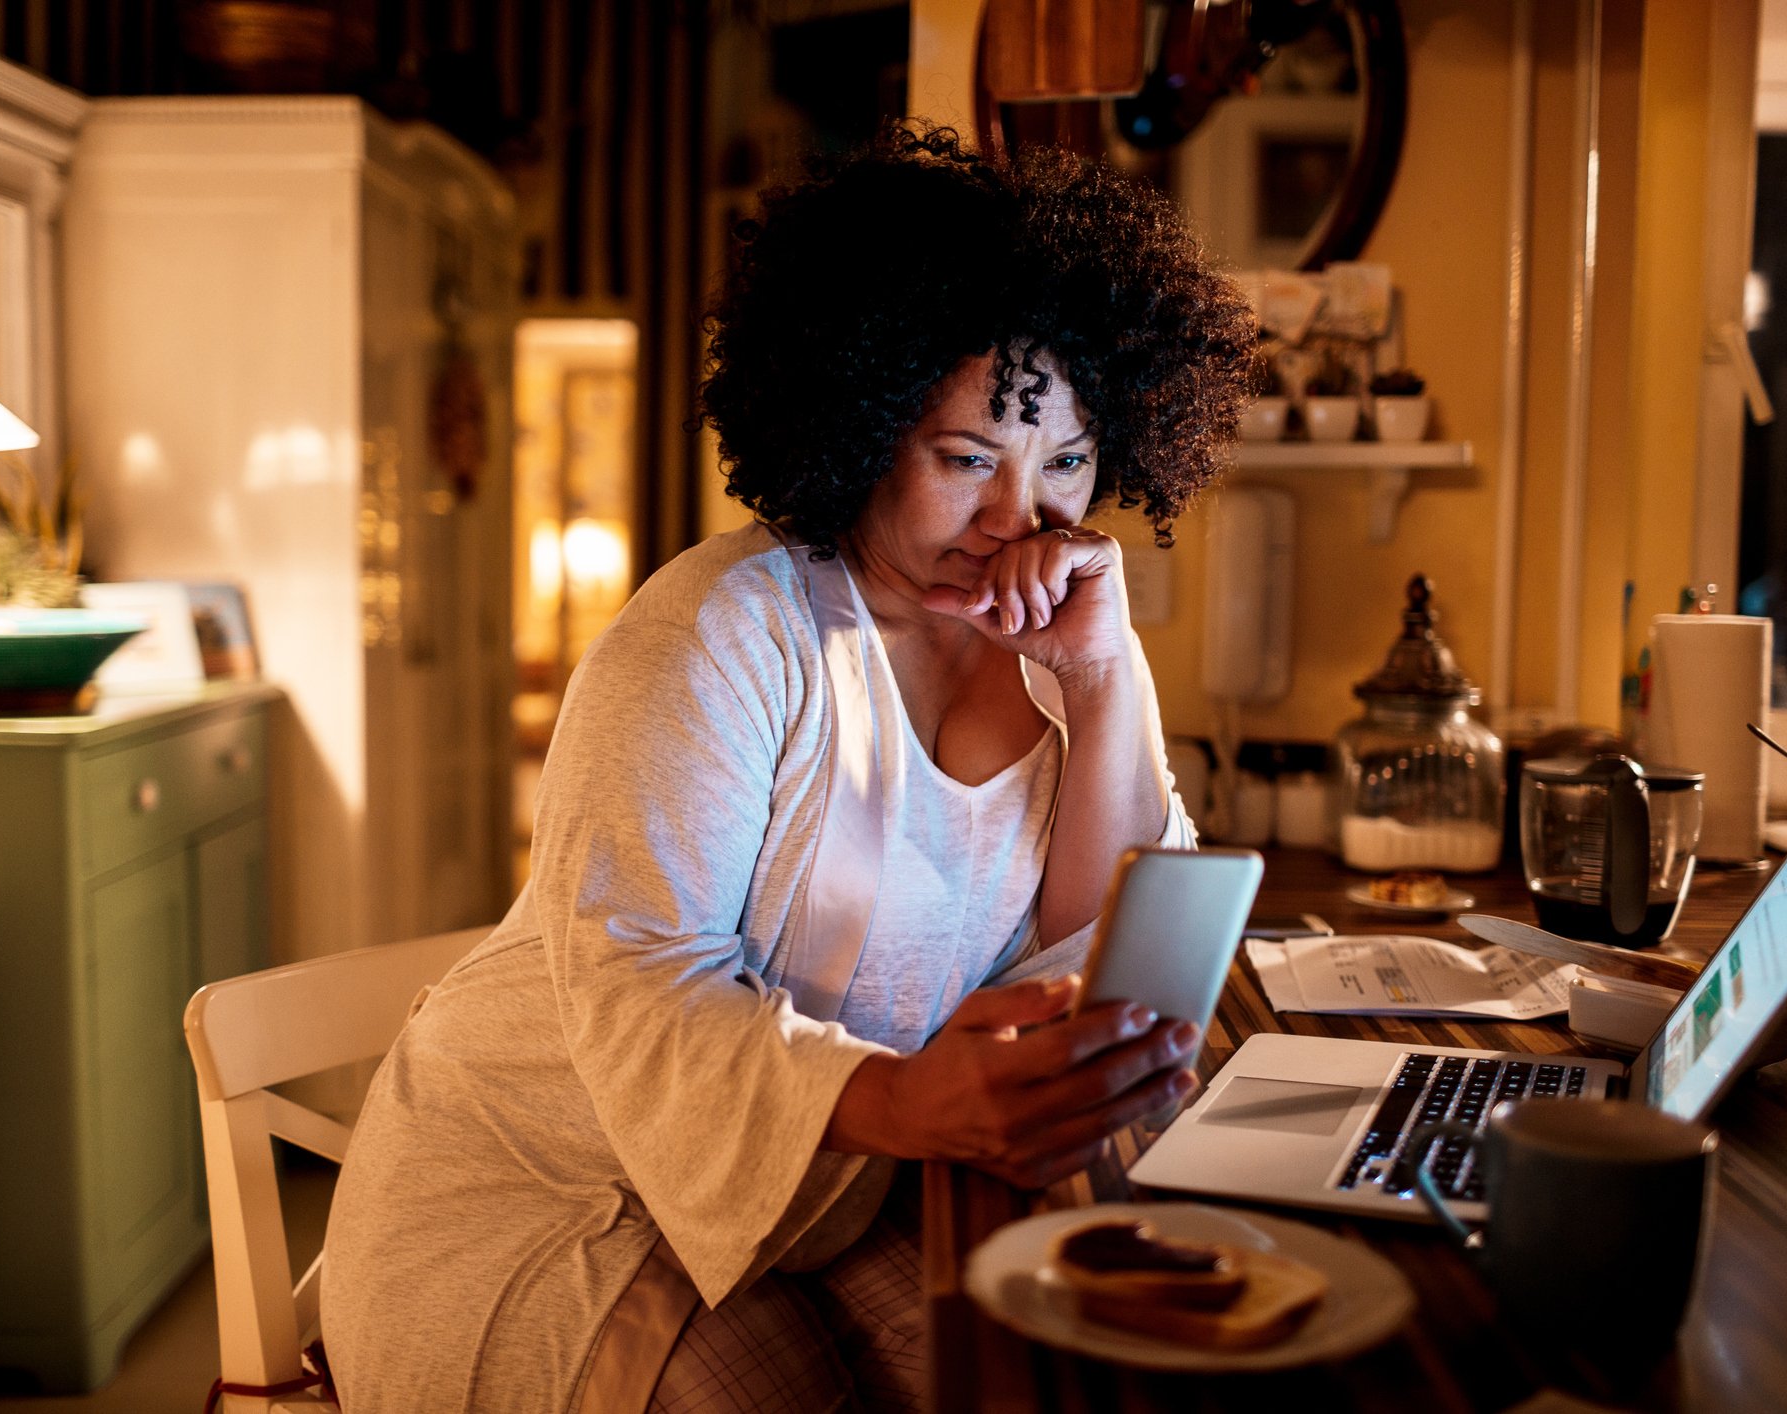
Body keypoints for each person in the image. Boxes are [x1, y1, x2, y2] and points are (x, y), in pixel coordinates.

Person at [321, 125, 1255, 1413]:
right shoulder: (725, 631)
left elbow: (1103, 950)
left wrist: (1104, 686)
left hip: (828, 1189)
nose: (1020, 520)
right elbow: (647, 981)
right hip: (550, 1195)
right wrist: (912, 1104)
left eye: (1068, 465)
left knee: (1057, 1374)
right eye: (968, 458)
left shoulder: (1059, 645)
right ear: (862, 423)